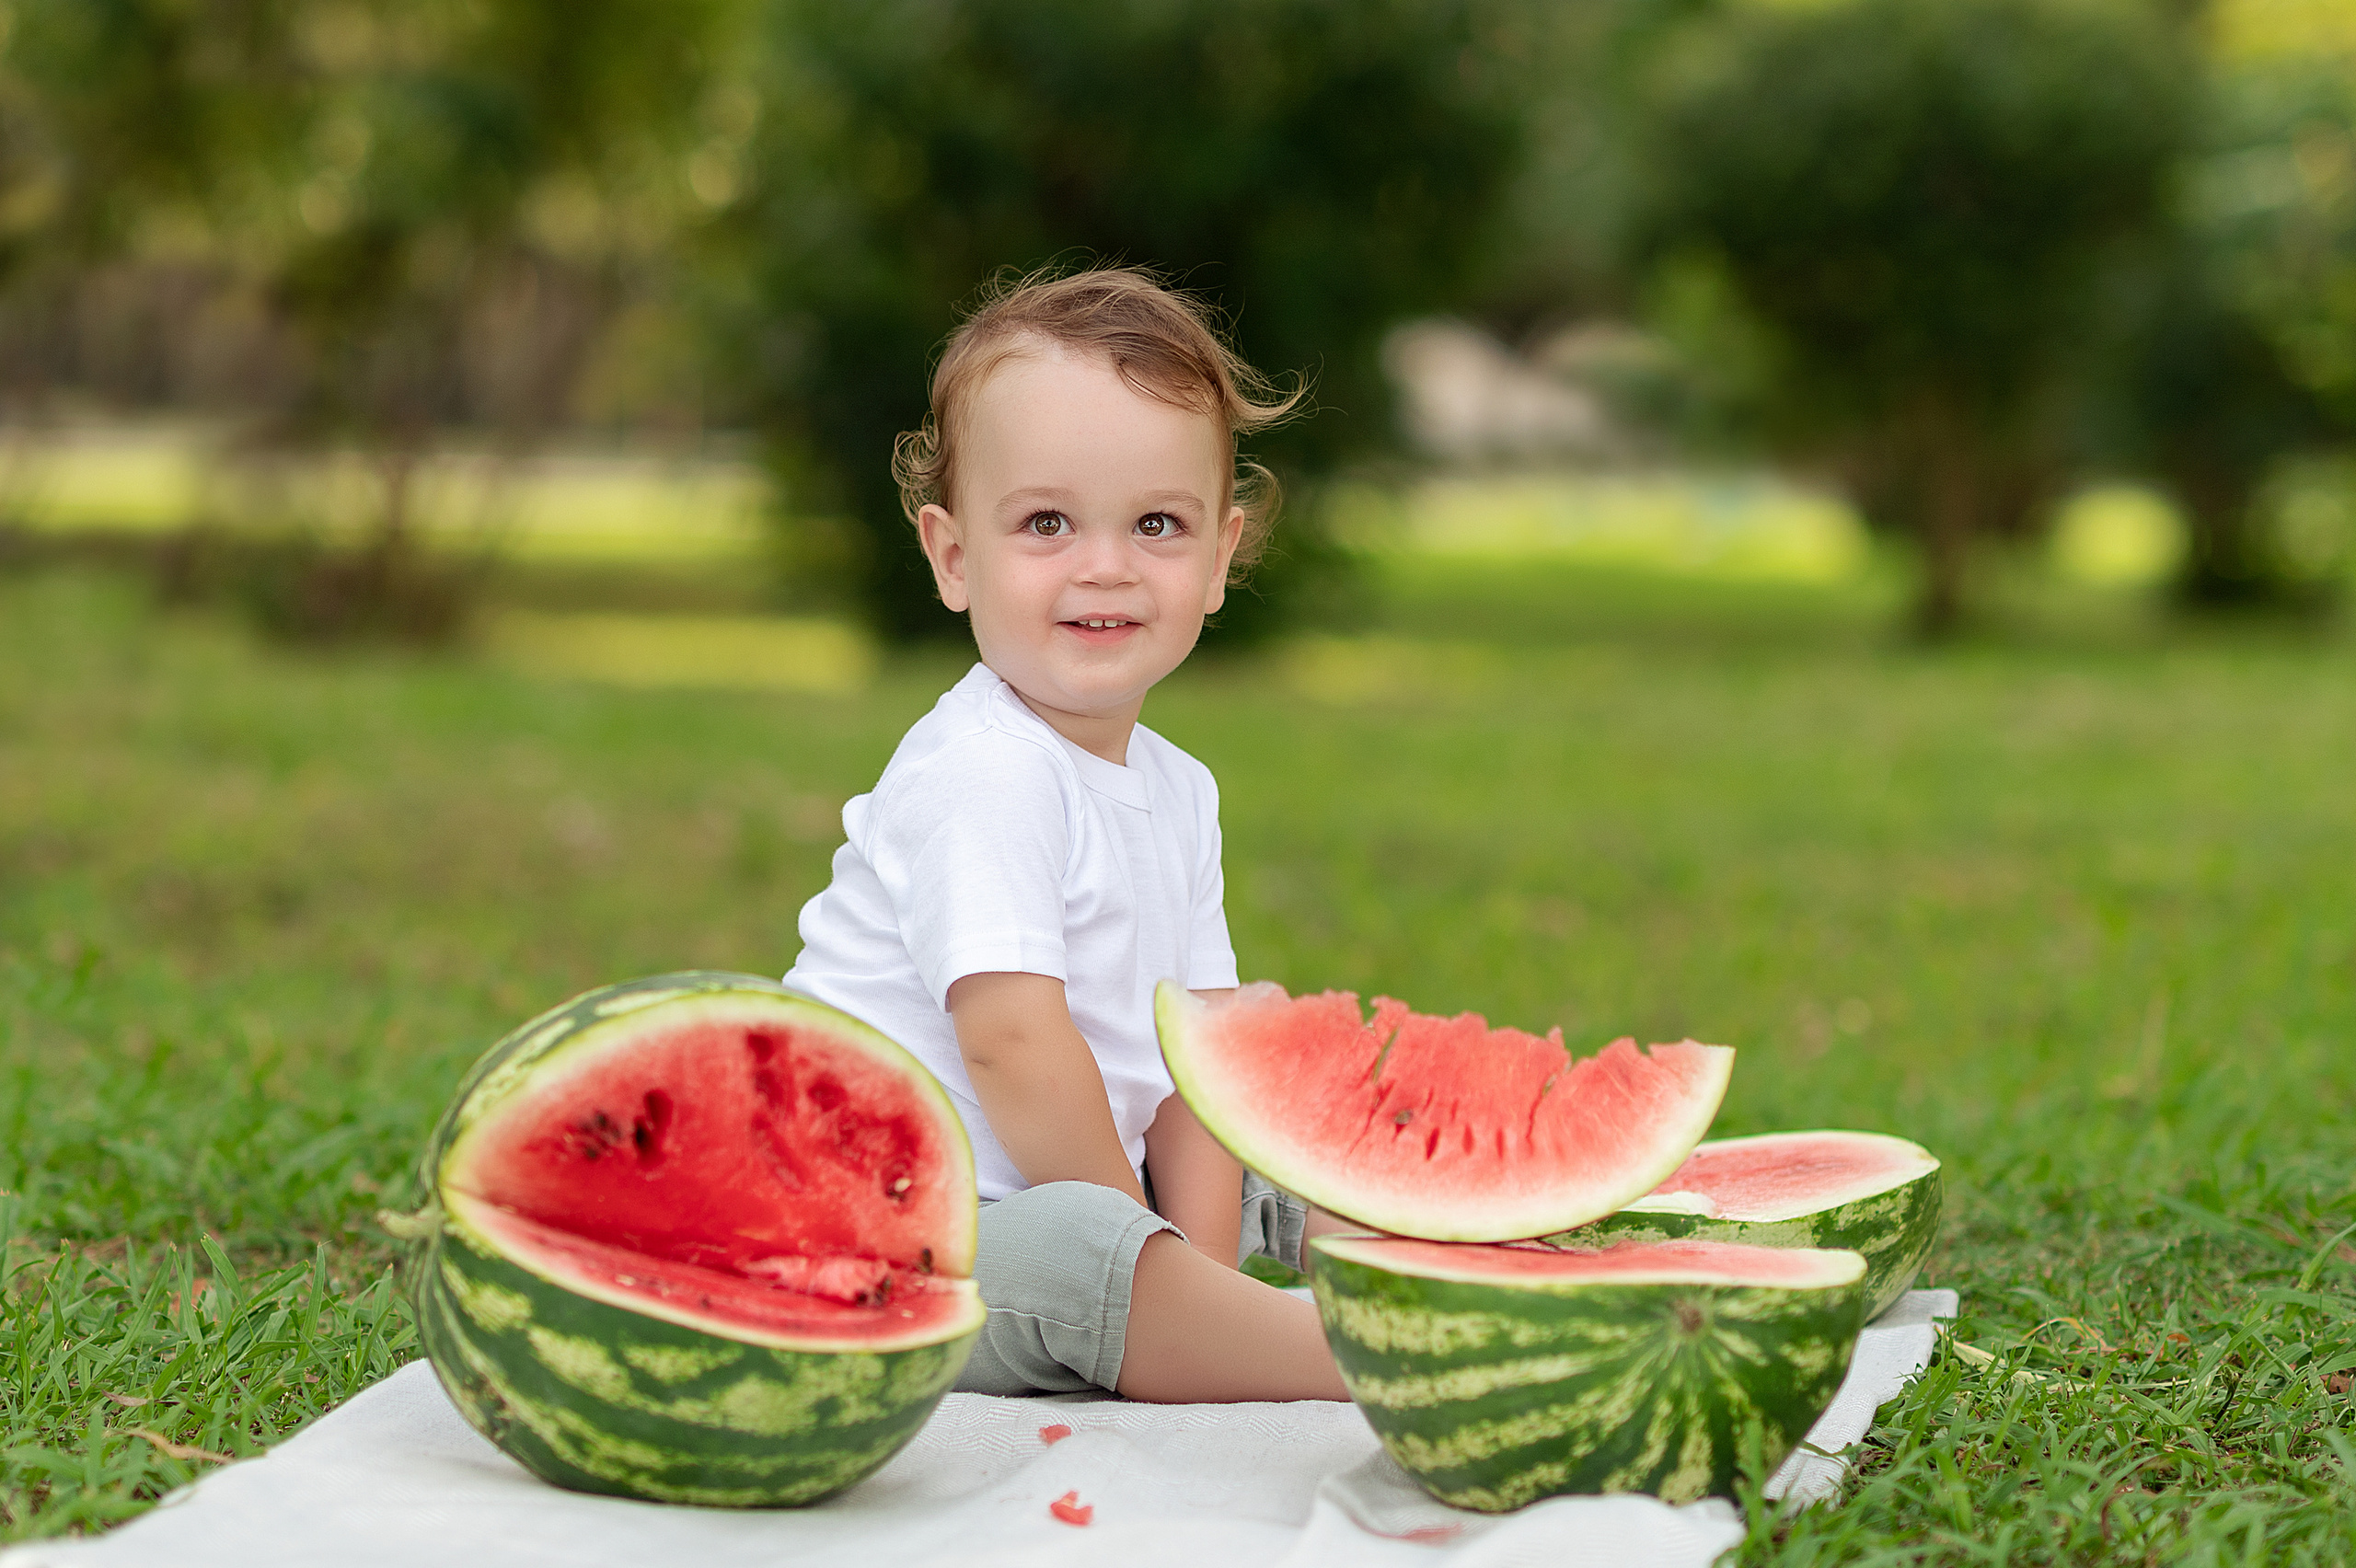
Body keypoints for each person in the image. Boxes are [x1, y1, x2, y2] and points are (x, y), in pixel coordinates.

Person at [782, 267, 1349, 1402]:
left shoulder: (1180, 790)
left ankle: (1438, 1270)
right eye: (1047, 523)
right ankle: (1367, 1361)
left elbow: (1194, 1063)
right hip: (890, 1244)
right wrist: (1148, 1249)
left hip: (1092, 1185)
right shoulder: (983, 770)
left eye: (1156, 524)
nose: (1105, 565)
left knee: (1274, 1070)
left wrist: (1189, 1266)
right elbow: (1010, 1044)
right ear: (953, 557)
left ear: (1220, 558)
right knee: (1081, 1255)